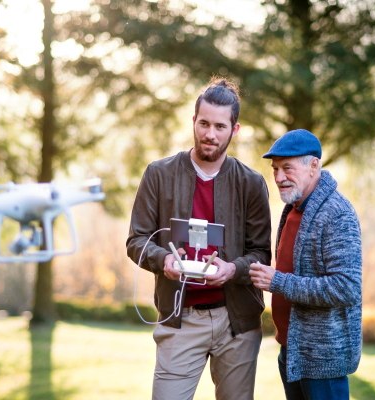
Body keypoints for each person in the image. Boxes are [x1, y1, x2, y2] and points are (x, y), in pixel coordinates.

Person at [126, 77, 272, 400]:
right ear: (193, 121)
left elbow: (262, 253)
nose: (210, 134)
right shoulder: (158, 174)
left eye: (220, 126)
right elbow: (136, 240)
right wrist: (162, 259)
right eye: (204, 123)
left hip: (237, 322)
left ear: (234, 130)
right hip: (180, 318)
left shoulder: (251, 184)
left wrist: (232, 269)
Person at [249, 129, 362, 400]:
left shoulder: (337, 213)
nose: (278, 178)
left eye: (287, 168)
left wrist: (278, 282)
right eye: (275, 169)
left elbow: (347, 288)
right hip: (292, 353)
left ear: (314, 166)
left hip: (323, 363)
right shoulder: (293, 209)